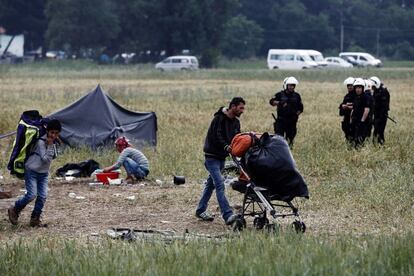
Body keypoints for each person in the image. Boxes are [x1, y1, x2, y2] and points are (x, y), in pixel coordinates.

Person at [195, 97, 246, 225]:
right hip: (211, 158)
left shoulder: (236, 122)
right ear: (233, 106)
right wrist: (226, 146)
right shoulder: (218, 119)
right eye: (241, 108)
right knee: (220, 184)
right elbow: (217, 135)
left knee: (211, 184)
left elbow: (237, 138)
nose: (243, 111)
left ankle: (200, 210)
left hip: (222, 158)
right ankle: (227, 215)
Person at [8, 119, 61, 227]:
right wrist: (50, 145)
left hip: (43, 173)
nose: (53, 135)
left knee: (42, 196)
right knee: (31, 195)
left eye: (56, 133)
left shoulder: (53, 142)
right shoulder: (41, 142)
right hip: (31, 171)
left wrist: (53, 145)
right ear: (47, 131)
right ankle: (15, 209)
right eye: (52, 132)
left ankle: (35, 218)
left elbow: (54, 156)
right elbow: (45, 159)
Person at [269, 76, 304, 146]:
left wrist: (295, 115)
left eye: (293, 85)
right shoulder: (279, 94)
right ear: (286, 85)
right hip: (281, 121)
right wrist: (279, 103)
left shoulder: (297, 96)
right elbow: (271, 102)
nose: (292, 87)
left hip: (292, 122)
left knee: (290, 140)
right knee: (279, 140)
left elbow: (301, 108)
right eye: (290, 85)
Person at [350, 78, 371, 148]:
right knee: (354, 140)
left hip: (362, 123)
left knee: (360, 141)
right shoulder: (356, 97)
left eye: (359, 88)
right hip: (355, 121)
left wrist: (362, 121)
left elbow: (367, 110)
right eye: (356, 88)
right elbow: (354, 108)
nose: (358, 89)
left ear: (362, 88)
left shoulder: (366, 97)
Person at [370, 76, 390, 145]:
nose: (372, 88)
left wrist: (379, 118)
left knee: (379, 133)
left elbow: (384, 107)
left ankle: (381, 146)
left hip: (382, 116)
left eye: (373, 86)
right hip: (376, 115)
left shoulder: (383, 92)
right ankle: (377, 146)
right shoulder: (376, 91)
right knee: (376, 133)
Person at [339, 77, 356, 142]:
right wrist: (343, 106)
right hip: (346, 119)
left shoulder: (357, 95)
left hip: (354, 119)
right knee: (348, 138)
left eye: (351, 85)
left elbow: (358, 107)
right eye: (348, 85)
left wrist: (350, 106)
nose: (349, 87)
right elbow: (342, 106)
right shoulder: (347, 96)